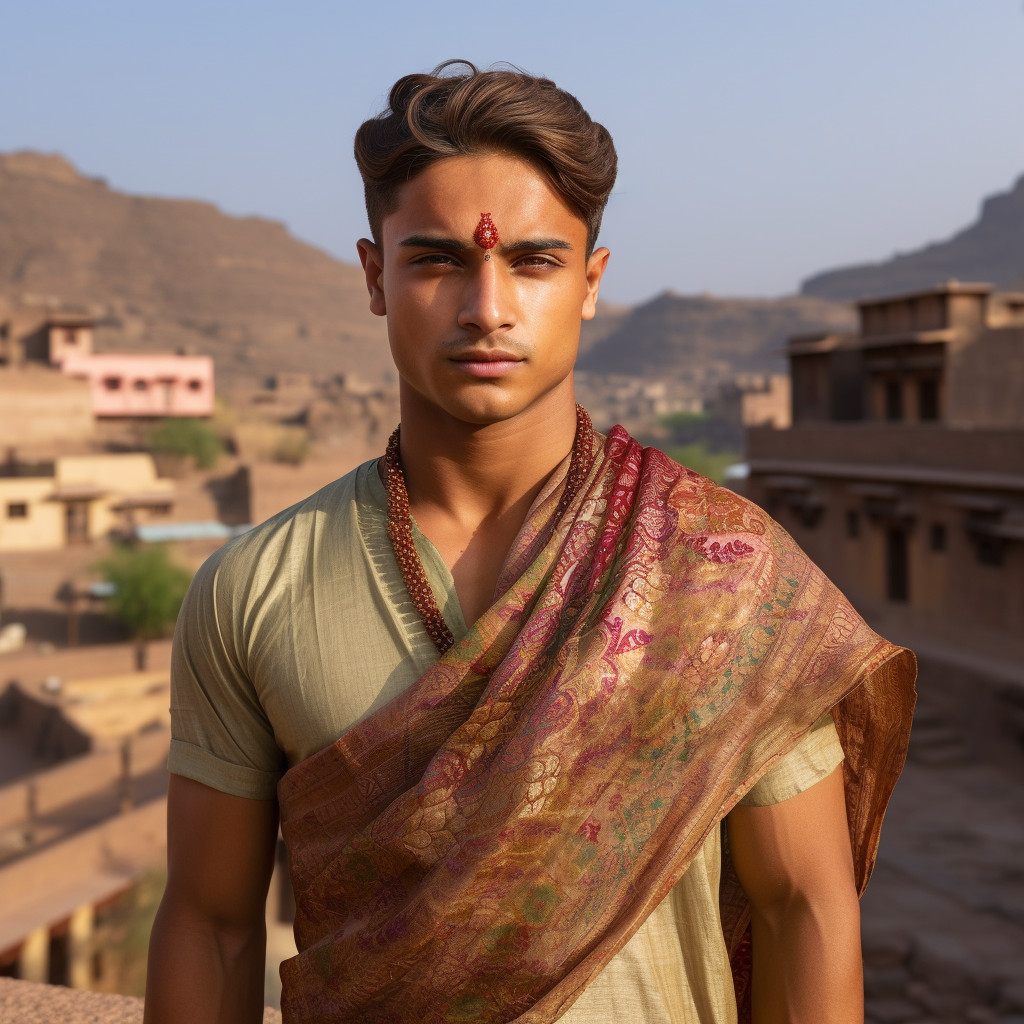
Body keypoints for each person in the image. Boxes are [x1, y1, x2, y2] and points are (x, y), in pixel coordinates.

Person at [144, 61, 916, 1024]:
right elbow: (211, 925)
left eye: (535, 262)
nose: (488, 308)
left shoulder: (723, 570)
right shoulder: (251, 591)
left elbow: (803, 904)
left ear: (591, 281)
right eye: (436, 261)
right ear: (375, 276)